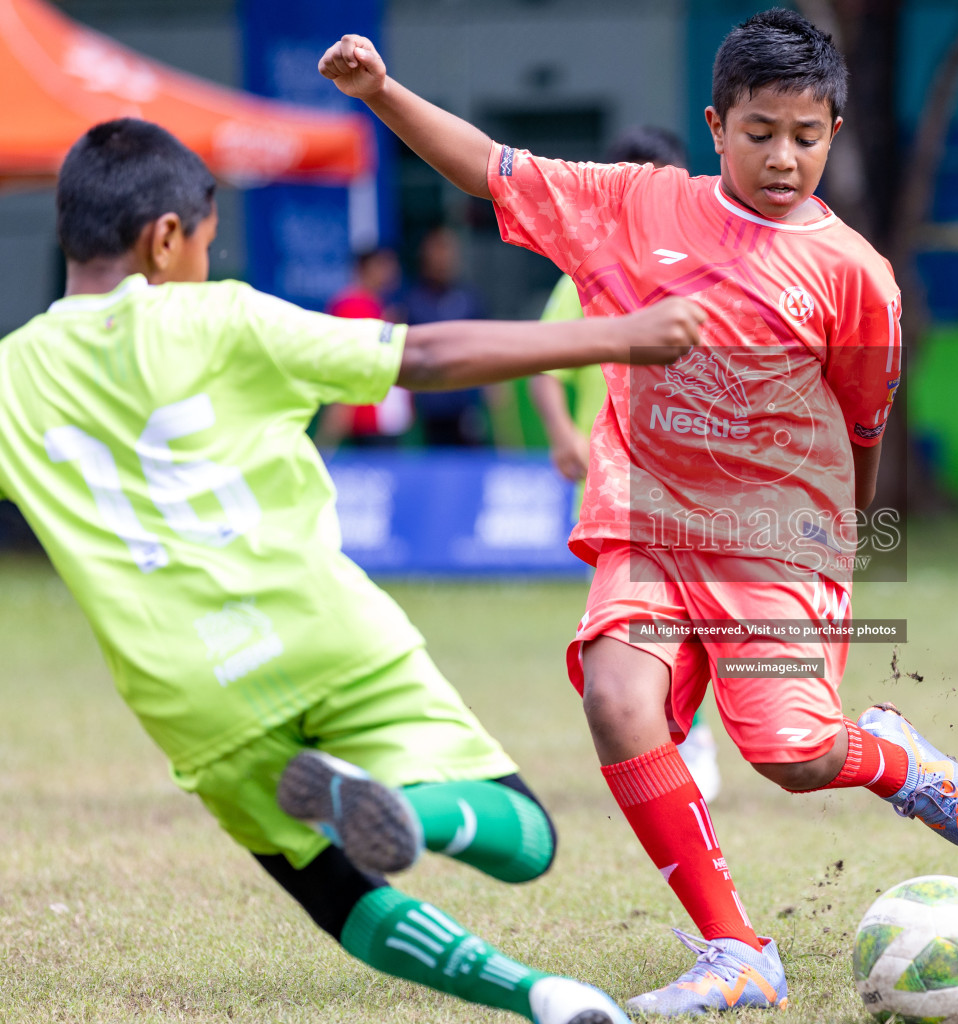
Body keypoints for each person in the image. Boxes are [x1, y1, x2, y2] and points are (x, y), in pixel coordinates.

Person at [319, 8, 958, 1014]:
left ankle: (887, 751)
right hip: (650, 526)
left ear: (834, 136)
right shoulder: (637, 205)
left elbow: (862, 428)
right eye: (760, 132)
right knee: (616, 699)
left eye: (806, 137)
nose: (782, 156)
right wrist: (379, 93)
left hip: (780, 544)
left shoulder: (858, 277)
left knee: (790, 754)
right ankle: (737, 949)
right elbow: (491, 167)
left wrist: (843, 545)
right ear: (716, 126)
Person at [0, 118, 704, 1023]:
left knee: (337, 892)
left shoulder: (12, 378)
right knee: (525, 836)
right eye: (206, 248)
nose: (207, 267)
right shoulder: (221, 316)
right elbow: (424, 355)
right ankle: (422, 813)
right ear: (166, 238)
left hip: (189, 695)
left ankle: (543, 1000)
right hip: (324, 632)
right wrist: (621, 338)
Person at [528, 125, 724, 803]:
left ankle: (689, 729)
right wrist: (561, 434)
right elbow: (545, 364)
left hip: (691, 478)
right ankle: (671, 727)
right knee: (627, 626)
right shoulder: (586, 274)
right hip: (613, 481)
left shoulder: (713, 271)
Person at [401, 226, 497, 446]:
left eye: (449, 251)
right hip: (428, 411)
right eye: (438, 251)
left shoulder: (469, 298)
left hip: (467, 407)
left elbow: (487, 348)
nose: (444, 258)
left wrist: (495, 395)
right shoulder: (412, 301)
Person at [316, 247, 413, 449]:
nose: (391, 271)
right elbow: (352, 362)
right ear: (364, 268)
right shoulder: (353, 304)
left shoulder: (381, 304)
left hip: (384, 415)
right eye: (382, 264)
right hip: (364, 414)